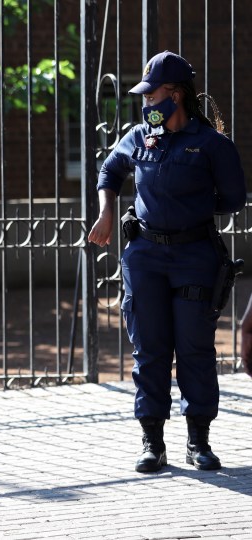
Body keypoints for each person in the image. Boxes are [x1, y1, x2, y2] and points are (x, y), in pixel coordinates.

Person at [88, 51, 246, 473]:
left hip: (195, 256)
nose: (144, 104)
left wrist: (188, 205)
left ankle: (199, 441)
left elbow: (232, 199)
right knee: (150, 350)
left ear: (175, 95)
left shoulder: (213, 144)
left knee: (194, 349)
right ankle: (152, 442)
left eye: (151, 94)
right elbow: (109, 171)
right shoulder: (139, 136)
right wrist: (107, 211)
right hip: (144, 257)